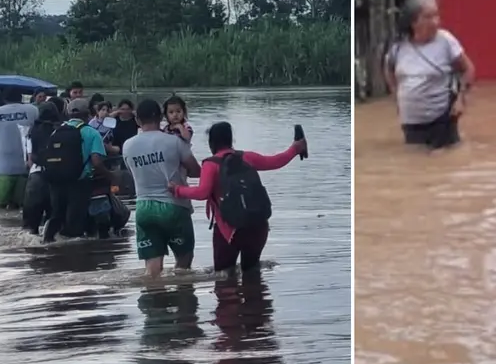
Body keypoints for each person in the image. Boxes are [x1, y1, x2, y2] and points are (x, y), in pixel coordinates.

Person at [167, 121, 306, 273]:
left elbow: (202, 193)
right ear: (230, 139)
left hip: (230, 230)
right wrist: (296, 148)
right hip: (258, 225)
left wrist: (178, 190)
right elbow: (276, 161)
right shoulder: (247, 157)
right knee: (252, 274)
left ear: (211, 143)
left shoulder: (210, 164)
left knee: (224, 278)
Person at [383, 0, 477, 150]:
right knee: (415, 159)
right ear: (413, 22)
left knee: (445, 157)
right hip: (411, 121)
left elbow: (468, 69)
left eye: (436, 16)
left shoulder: (445, 40)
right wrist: (396, 95)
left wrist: (461, 99)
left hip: (442, 117)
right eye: (428, 17)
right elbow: (388, 68)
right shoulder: (398, 46)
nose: (435, 22)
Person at [122, 99, 202, 278]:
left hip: (143, 208)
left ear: (137, 120)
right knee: (183, 264)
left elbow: (132, 171)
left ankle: (153, 294)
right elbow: (196, 171)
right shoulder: (175, 142)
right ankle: (183, 293)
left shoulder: (127, 146)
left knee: (152, 270)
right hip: (174, 207)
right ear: (161, 118)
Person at [40, 98, 109, 243]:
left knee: (56, 216)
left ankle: (48, 243)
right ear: (88, 114)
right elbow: (97, 162)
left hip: (56, 182)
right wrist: (110, 175)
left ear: (68, 113)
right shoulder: (92, 133)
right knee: (74, 223)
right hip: (79, 183)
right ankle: (72, 252)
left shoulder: (56, 131)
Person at [0, 86, 38, 209]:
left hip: (3, 168)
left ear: (4, 99)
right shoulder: (33, 110)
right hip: (27, 168)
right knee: (20, 208)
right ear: (21, 98)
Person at [22, 101, 62, 234]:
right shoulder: (61, 130)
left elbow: (30, 160)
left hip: (36, 177)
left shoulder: (31, 131)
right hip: (57, 178)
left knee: (30, 228)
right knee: (53, 227)